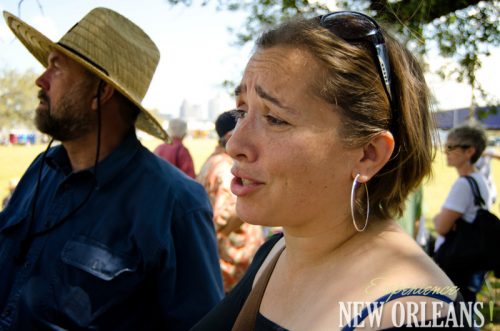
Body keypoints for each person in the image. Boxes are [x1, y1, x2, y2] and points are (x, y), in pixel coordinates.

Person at [192, 11, 470, 331]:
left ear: (368, 155)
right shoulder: (276, 251)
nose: (234, 144)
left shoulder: (420, 315)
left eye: (275, 119)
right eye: (241, 111)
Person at [0, 8, 223, 330]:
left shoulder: (175, 204)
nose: (40, 79)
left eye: (57, 68)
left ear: (100, 92)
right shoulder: (42, 169)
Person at [197, 111, 264, 293]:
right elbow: (226, 216)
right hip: (231, 266)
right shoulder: (227, 169)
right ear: (229, 137)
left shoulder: (212, 162)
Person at [433, 125, 492, 305]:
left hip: (456, 263)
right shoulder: (480, 179)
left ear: (470, 151)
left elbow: (441, 227)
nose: (446, 152)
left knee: (455, 314)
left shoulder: (464, 185)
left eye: (451, 147)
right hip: (471, 263)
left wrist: (439, 219)